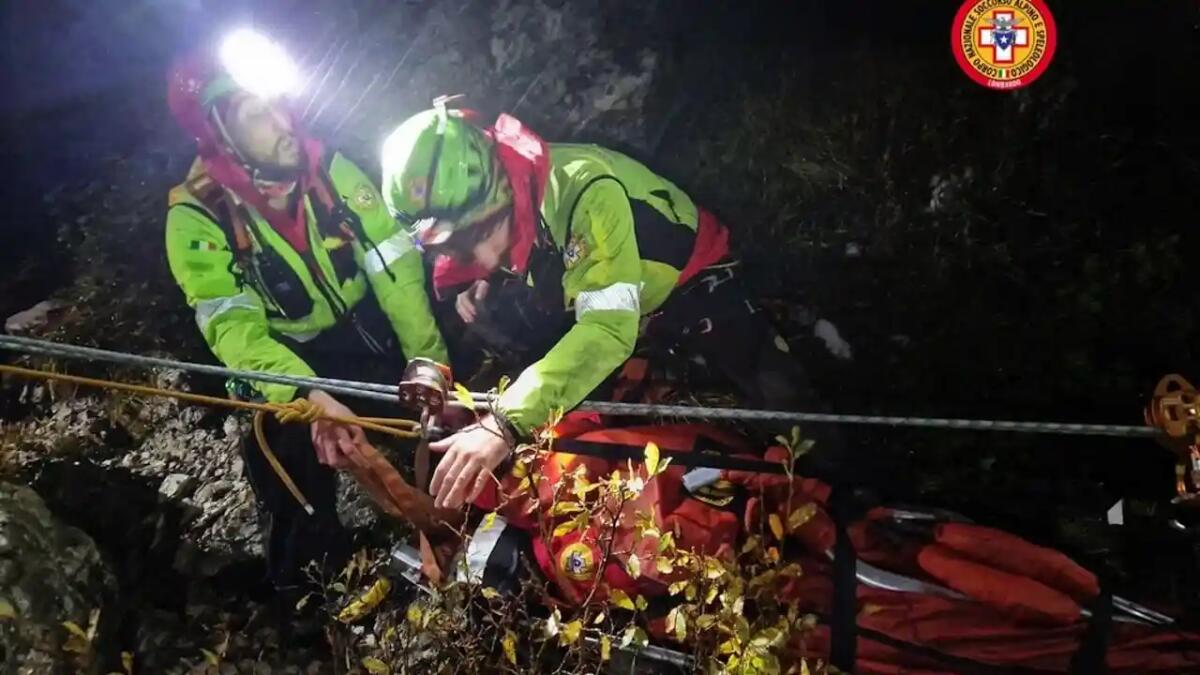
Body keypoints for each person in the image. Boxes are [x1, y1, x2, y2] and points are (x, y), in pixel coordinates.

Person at [379, 99, 823, 510]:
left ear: (500, 191)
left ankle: (845, 488)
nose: (474, 258)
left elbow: (608, 330)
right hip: (599, 288)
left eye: (474, 237)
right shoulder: (507, 204)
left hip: (691, 274)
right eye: (455, 247)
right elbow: (467, 265)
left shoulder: (586, 190)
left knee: (775, 387)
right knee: (511, 328)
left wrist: (504, 422)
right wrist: (470, 290)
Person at [163, 35, 448, 594]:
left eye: (277, 102)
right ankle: (307, 589)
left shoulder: (330, 170)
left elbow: (398, 275)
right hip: (290, 358)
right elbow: (234, 330)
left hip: (366, 337)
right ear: (219, 131)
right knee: (279, 448)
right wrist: (307, 395)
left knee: (456, 408)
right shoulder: (196, 218)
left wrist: (430, 367)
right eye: (256, 113)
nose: (281, 121)